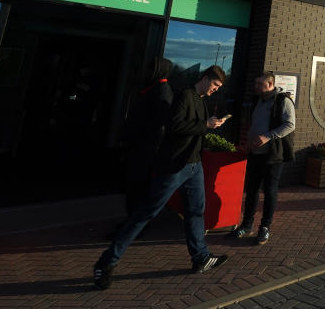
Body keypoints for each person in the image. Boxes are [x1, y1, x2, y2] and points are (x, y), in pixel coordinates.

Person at [93, 66, 230, 290]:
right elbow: (174, 126)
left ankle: (201, 258)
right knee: (147, 212)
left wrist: (210, 123)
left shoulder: (201, 100)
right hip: (175, 167)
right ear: (205, 79)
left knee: (195, 211)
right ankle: (106, 262)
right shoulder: (185, 96)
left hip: (194, 166)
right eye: (214, 85)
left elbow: (193, 128)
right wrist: (205, 125)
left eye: (218, 87)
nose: (215, 90)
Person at [229, 72, 295, 245]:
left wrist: (268, 136)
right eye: (255, 83)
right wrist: (247, 143)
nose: (256, 87)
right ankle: (246, 225)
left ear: (270, 83)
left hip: (272, 155)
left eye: (259, 84)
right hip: (254, 153)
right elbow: (252, 124)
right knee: (251, 190)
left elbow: (290, 125)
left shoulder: (283, 101)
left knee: (270, 191)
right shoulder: (256, 101)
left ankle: (265, 227)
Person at [123, 57, 174, 217]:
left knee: (139, 187)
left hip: (147, 148)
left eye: (151, 69)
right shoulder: (152, 88)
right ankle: (131, 220)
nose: (147, 72)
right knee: (135, 186)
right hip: (140, 145)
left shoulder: (162, 91)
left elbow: (160, 122)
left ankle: (135, 225)